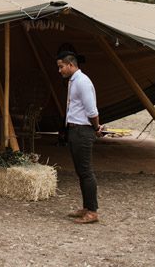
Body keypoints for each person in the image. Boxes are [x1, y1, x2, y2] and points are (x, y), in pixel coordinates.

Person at [58, 49, 102, 224]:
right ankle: (86, 207)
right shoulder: (73, 81)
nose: (59, 70)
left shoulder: (82, 82)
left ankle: (92, 211)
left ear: (70, 65)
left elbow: (91, 110)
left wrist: (96, 126)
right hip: (75, 129)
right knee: (81, 171)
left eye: (61, 66)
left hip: (83, 130)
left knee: (86, 172)